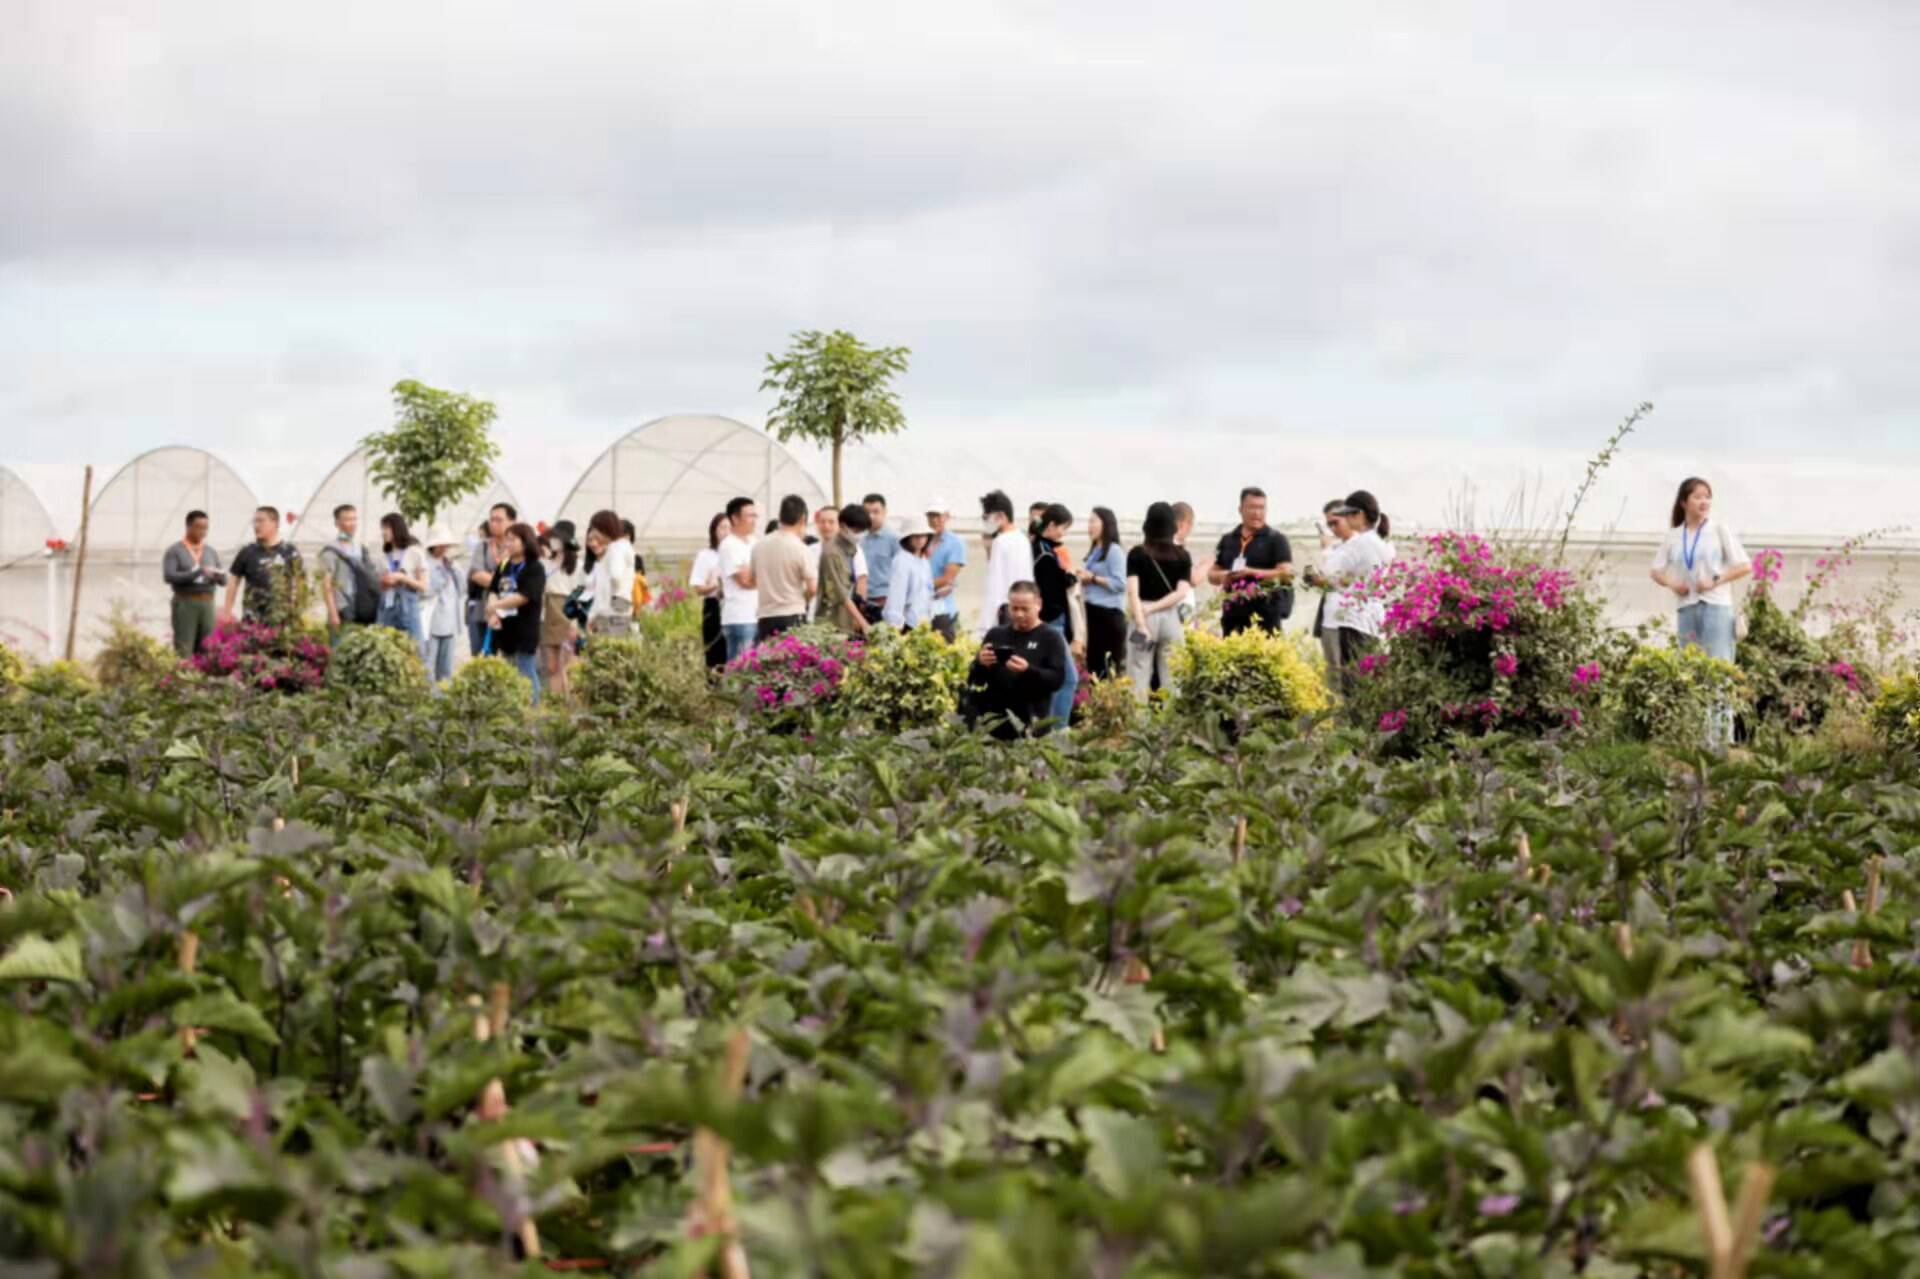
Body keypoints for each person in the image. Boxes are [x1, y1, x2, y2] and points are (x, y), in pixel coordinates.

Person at [1652, 477, 1749, 746]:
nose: (1704, 502)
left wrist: (1715, 579)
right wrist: (1674, 584)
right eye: (1697, 496)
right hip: (1687, 608)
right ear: (1684, 502)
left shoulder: (1719, 530)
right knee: (1691, 671)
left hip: (1717, 606)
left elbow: (1744, 566)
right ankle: (1694, 735)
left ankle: (1719, 739)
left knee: (1718, 671)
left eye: (1707, 496)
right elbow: (1656, 570)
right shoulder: (1674, 535)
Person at [966, 581, 1071, 739]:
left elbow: (1057, 680)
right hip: (995, 724)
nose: (1019, 614)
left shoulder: (1050, 637)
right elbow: (975, 680)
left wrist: (1028, 670)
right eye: (1014, 608)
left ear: (1038, 605)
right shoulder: (996, 634)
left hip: (1032, 725)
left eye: (1024, 609)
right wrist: (980, 664)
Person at [1321, 491, 1395, 687]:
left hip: (1354, 619)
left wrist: (1327, 549)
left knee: (1352, 683)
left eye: (1348, 514)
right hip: (1375, 619)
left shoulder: (1359, 544)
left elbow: (1329, 571)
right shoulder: (1380, 542)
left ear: (1359, 515)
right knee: (1369, 680)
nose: (1344, 518)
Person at [1126, 502, 1194, 701]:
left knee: (1138, 675)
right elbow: (1181, 592)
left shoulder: (1137, 554)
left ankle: (1138, 728)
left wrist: (1141, 620)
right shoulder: (1183, 556)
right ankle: (1171, 727)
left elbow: (1132, 593)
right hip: (1172, 619)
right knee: (1172, 678)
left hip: (1142, 617)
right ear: (1172, 527)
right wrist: (1156, 607)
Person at [1209, 486, 1294, 635]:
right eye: (1252, 507)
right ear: (1240, 509)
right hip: (1232, 617)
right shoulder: (1228, 539)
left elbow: (1285, 574)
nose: (1257, 513)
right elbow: (1211, 574)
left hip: (1265, 618)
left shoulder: (1276, 539)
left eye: (1261, 508)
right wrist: (1224, 576)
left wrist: (1250, 572)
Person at [1031, 503, 1081, 727]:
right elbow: (1051, 590)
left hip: (1052, 620)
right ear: (1051, 525)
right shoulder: (1045, 556)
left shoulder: (1041, 548)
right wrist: (1068, 578)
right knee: (1068, 678)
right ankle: (1057, 730)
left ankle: (1049, 728)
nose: (1063, 534)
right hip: (1053, 621)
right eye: (1062, 528)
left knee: (1055, 678)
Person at [484, 522, 546, 699]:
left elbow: (525, 596)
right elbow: (494, 590)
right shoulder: (504, 566)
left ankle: (533, 709)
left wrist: (496, 606)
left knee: (526, 669)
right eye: (507, 540)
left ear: (525, 542)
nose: (508, 543)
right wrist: (494, 613)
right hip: (505, 627)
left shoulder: (534, 567)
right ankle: (515, 707)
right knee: (509, 669)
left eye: (513, 539)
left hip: (525, 627)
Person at [162, 509, 226, 657]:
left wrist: (218, 577)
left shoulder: (210, 551)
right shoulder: (175, 551)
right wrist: (198, 572)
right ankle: (183, 678)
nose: (203, 532)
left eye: (206, 528)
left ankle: (204, 679)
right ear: (188, 526)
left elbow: (224, 580)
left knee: (208, 648)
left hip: (207, 603)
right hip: (186, 602)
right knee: (184, 648)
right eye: (199, 527)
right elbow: (169, 576)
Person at [752, 495, 816, 641]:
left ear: (780, 516)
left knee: (768, 661)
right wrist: (803, 599)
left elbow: (754, 579)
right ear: (802, 519)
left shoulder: (759, 546)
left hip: (765, 617)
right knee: (792, 661)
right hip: (792, 615)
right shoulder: (801, 549)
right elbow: (812, 588)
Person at [225, 506, 301, 624]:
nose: (256, 525)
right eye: (255, 521)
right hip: (252, 620)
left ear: (275, 523)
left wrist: (296, 609)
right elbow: (234, 581)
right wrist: (227, 612)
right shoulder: (247, 551)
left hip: (282, 618)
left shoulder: (289, 551)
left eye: (261, 521)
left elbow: (299, 582)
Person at [1078, 506, 1127, 680]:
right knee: (1094, 667)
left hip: (1109, 615)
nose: (1089, 526)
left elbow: (1120, 583)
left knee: (1106, 668)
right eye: (1088, 521)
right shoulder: (1094, 551)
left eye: (1093, 521)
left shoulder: (1113, 550)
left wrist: (1093, 578)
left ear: (1105, 524)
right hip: (1093, 612)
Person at [320, 504, 379, 641]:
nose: (352, 523)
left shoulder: (361, 549)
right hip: (343, 608)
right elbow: (326, 584)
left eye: (354, 519)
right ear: (337, 523)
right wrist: (333, 613)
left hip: (361, 606)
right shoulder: (330, 551)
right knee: (340, 650)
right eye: (347, 519)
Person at [976, 489, 1027, 638]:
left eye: (987, 517)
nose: (985, 522)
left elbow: (995, 584)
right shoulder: (1022, 539)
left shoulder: (1001, 542)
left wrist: (985, 625)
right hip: (1024, 606)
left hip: (1005, 609)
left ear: (1001, 516)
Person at [466, 503, 515, 656]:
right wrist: (504, 584)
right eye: (491, 520)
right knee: (481, 652)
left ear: (511, 522)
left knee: (510, 655)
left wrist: (493, 580)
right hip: (482, 605)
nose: (493, 524)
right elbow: (475, 574)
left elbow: (520, 576)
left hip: (510, 608)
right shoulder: (483, 546)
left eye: (498, 520)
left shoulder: (517, 546)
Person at [540, 520, 581, 698]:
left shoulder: (577, 566)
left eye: (556, 538)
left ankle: (572, 701)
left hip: (568, 612)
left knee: (569, 663)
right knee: (552, 666)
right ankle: (556, 702)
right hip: (549, 612)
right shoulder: (546, 564)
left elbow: (579, 594)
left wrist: (575, 622)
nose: (553, 541)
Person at [717, 497, 760, 660]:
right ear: (735, 519)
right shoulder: (729, 545)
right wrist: (758, 575)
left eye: (755, 516)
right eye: (750, 516)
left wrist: (753, 571)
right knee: (739, 670)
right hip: (739, 617)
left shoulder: (755, 543)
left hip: (756, 614)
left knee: (754, 672)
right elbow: (745, 581)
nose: (754, 520)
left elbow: (760, 574)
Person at [376, 514, 429, 646]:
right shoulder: (383, 556)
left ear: (397, 528)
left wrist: (403, 578)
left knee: (415, 648)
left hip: (409, 608)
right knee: (387, 648)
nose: (384, 532)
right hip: (388, 608)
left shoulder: (414, 552)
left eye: (387, 528)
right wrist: (385, 582)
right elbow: (380, 588)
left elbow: (423, 586)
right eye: (382, 528)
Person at [583, 509, 635, 638]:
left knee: (608, 652)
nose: (595, 534)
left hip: (611, 611)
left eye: (596, 530)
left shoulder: (616, 548)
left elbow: (615, 577)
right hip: (621, 608)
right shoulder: (624, 546)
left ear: (604, 529)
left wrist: (595, 614)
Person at [1311, 499, 1350, 671]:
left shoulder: (1358, 546)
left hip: (1350, 621)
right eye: (1329, 524)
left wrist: (1327, 551)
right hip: (1331, 620)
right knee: (1333, 672)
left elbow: (1344, 579)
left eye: (1336, 522)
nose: (1333, 529)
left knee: (1351, 673)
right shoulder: (1338, 546)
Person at [421, 524, 463, 682]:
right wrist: (442, 576)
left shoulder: (451, 564)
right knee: (428, 666)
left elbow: (462, 589)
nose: (445, 548)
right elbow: (426, 590)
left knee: (446, 668)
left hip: (449, 622)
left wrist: (454, 570)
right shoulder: (425, 563)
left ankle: (443, 700)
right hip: (431, 622)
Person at [925, 500, 968, 642]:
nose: (934, 520)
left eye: (938, 516)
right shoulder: (924, 540)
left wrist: (919, 587)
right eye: (931, 516)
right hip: (921, 609)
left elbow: (947, 578)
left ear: (947, 517)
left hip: (942, 608)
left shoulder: (955, 542)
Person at [690, 513, 728, 671]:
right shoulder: (706, 556)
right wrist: (715, 585)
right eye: (723, 527)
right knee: (714, 652)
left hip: (733, 605)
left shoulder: (739, 552)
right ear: (714, 531)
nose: (726, 532)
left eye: (730, 528)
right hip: (713, 606)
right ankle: (714, 688)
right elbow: (698, 588)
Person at [882, 521, 936, 630]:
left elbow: (928, 590)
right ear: (908, 537)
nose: (920, 539)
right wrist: (895, 623)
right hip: (906, 623)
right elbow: (897, 594)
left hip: (923, 622)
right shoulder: (902, 560)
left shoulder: (924, 561)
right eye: (916, 536)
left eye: (923, 535)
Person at [862, 494, 900, 621]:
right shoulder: (859, 539)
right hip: (863, 602)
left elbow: (900, 573)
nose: (871, 516)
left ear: (884, 512)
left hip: (884, 602)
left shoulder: (894, 540)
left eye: (876, 512)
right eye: (867, 512)